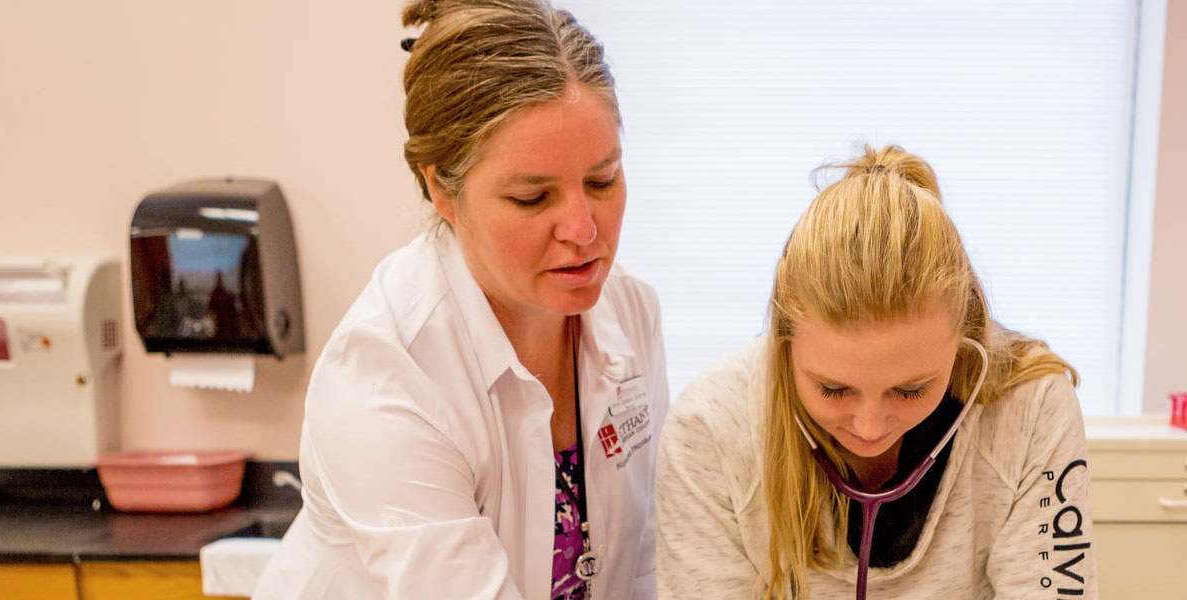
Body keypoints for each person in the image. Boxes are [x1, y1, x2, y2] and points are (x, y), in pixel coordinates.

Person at [254, 1, 665, 598]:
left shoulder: (629, 311)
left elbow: (642, 564)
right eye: (532, 197)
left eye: (602, 180)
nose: (583, 228)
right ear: (440, 188)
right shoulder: (386, 374)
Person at [654, 146, 1095, 599]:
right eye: (832, 389)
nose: (869, 427)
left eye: (910, 390)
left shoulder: (1031, 405)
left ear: (964, 340)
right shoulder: (709, 428)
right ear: (784, 344)